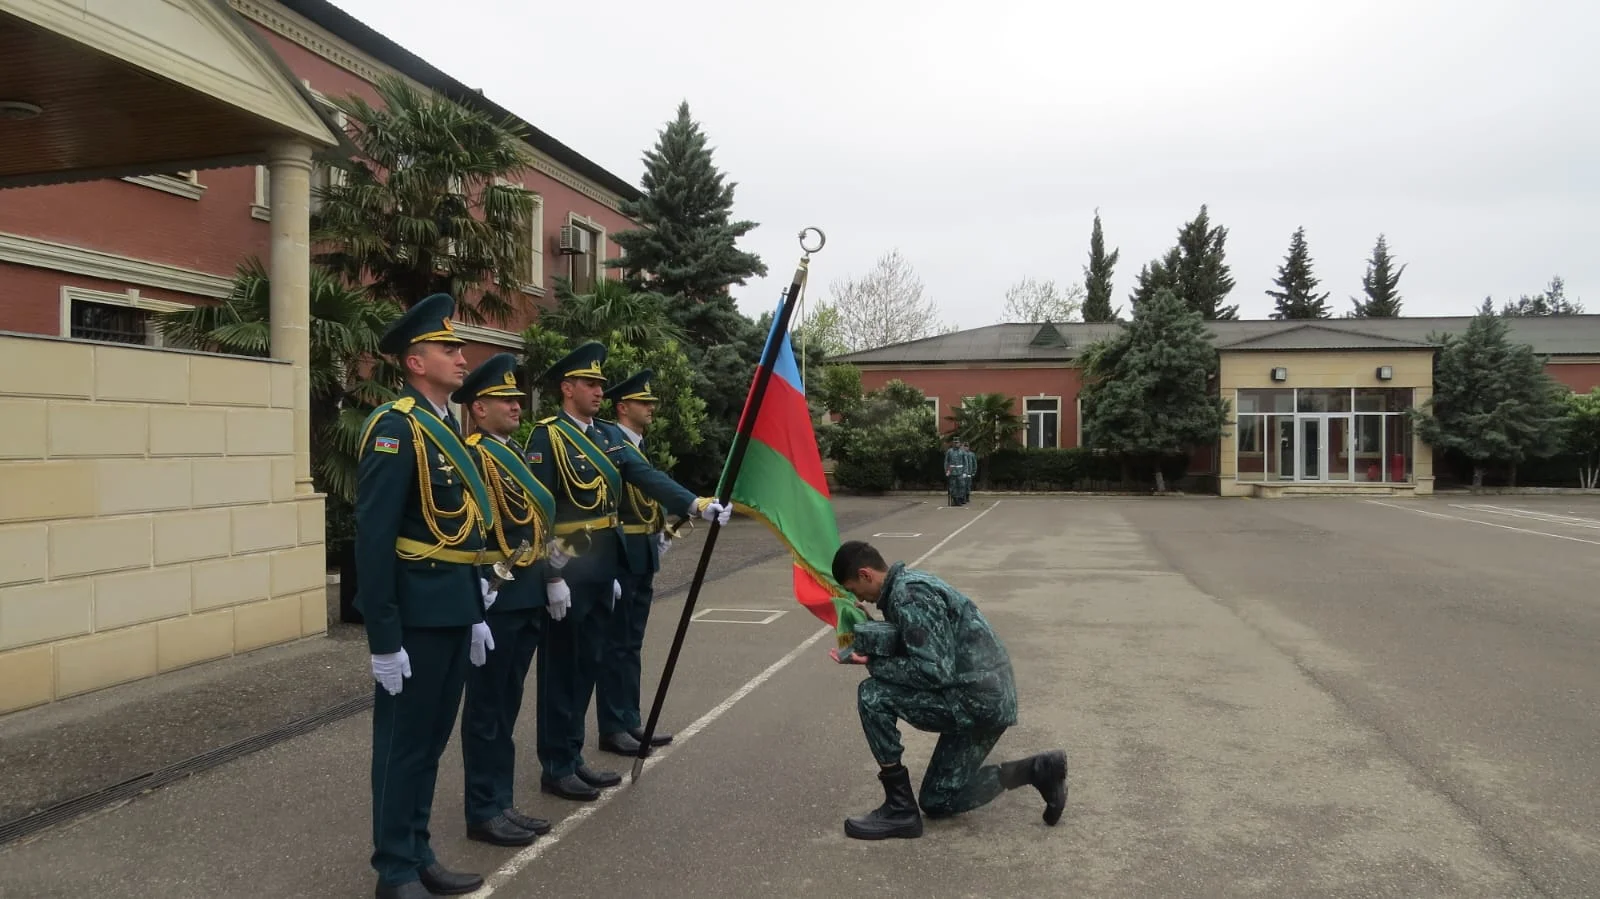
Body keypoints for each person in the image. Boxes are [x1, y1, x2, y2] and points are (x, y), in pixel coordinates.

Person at [521, 342, 732, 801]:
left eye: (601, 384)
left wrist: (696, 503)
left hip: (602, 569)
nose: (599, 390)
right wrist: (551, 576)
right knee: (561, 673)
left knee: (587, 667)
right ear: (567, 388)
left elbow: (645, 476)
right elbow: (538, 512)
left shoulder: (604, 438)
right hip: (568, 573)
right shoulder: (548, 436)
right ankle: (556, 765)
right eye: (591, 384)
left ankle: (573, 757)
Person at [354, 293, 499, 899]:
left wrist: (473, 609)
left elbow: (459, 526)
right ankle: (393, 870)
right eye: (448, 348)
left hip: (451, 610)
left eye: (460, 347)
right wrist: (383, 638)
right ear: (415, 363)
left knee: (432, 743)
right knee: (402, 746)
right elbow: (375, 537)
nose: (461, 356)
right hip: (413, 618)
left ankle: (418, 851)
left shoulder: (443, 427)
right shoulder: (395, 428)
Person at [829, 539, 1066, 840]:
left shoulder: (909, 596)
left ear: (866, 574)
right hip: (988, 695)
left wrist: (873, 664)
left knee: (872, 695)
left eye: (853, 589)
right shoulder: (908, 586)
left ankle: (900, 810)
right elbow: (923, 644)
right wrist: (871, 632)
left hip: (975, 700)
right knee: (938, 800)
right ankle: (1037, 770)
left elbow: (933, 671)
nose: (857, 596)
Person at [453, 352, 569, 848]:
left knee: (507, 704)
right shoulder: (477, 454)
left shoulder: (512, 452)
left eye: (518, 399)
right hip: (497, 596)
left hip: (525, 595)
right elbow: (473, 528)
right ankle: (484, 809)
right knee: (488, 708)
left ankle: (500, 801)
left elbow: (536, 522)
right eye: (505, 399)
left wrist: (553, 574)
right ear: (478, 408)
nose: (517, 406)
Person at [594, 369, 678, 755]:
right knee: (616, 644)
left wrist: (660, 529)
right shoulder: (611, 441)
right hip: (621, 555)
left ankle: (630, 720)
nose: (651, 409)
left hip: (642, 552)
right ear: (623, 406)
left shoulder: (636, 443)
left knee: (631, 643)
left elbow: (646, 495)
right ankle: (614, 725)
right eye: (644, 403)